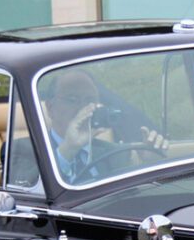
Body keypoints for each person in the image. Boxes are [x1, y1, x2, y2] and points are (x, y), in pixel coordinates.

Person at [37, 70, 166, 185]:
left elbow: (130, 200)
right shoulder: (25, 149)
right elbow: (32, 195)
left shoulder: (115, 153)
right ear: (50, 108)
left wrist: (150, 165)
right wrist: (68, 150)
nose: (82, 107)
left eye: (89, 101)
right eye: (72, 99)